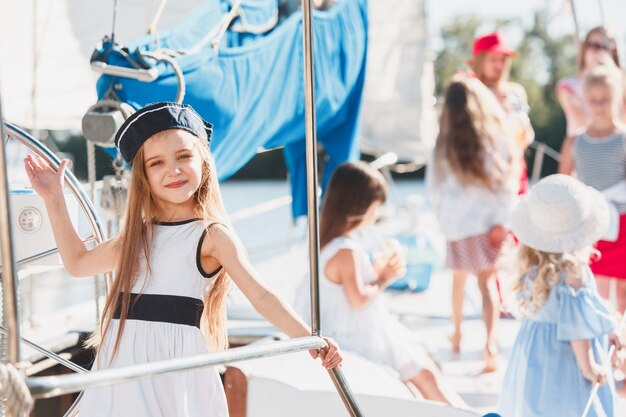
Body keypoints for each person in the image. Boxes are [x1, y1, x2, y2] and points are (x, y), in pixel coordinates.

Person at [24, 102, 342, 417]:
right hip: (120, 365)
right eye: (157, 163)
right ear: (144, 177)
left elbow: (260, 295)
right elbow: (78, 262)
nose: (173, 170)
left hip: (173, 372)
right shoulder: (137, 237)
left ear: (203, 162)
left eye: (184, 156)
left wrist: (309, 338)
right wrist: (54, 199)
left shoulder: (213, 236)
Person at [296, 162, 465, 406]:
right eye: (376, 207)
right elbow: (358, 299)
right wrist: (385, 277)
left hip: (360, 331)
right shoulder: (345, 251)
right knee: (426, 377)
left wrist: (376, 272)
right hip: (361, 337)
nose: (376, 214)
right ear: (360, 206)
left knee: (422, 377)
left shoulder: (331, 244)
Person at [498, 174, 621, 417]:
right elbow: (577, 329)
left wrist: (608, 329)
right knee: (570, 405)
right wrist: (588, 368)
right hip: (567, 357)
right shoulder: (574, 273)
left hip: (533, 351)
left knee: (534, 404)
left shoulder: (531, 268)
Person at [427, 77, 520, 372]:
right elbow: (509, 181)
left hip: (458, 227)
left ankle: (457, 334)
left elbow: (434, 189)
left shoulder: (443, 146)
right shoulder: (496, 139)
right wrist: (503, 222)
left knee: (459, 280)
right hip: (488, 226)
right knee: (487, 285)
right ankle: (490, 346)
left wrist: (442, 221)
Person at [558, 63, 626, 314]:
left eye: (605, 99)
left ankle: (621, 342)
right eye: (593, 100)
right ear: (585, 101)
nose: (599, 106)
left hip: (622, 223)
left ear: (617, 98)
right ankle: (600, 336)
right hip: (590, 224)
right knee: (594, 286)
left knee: (622, 288)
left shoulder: (623, 138)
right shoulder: (575, 142)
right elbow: (562, 185)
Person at [469, 31, 534, 193]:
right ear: (480, 60)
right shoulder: (469, 91)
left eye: (503, 60)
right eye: (493, 59)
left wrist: (525, 132)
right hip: (481, 170)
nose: (499, 65)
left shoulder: (516, 92)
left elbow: (528, 135)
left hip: (514, 169)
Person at [557, 26, 622, 137]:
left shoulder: (621, 84)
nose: (601, 52)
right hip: (584, 151)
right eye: (595, 46)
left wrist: (614, 78)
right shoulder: (568, 86)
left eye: (607, 48)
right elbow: (585, 124)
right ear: (584, 48)